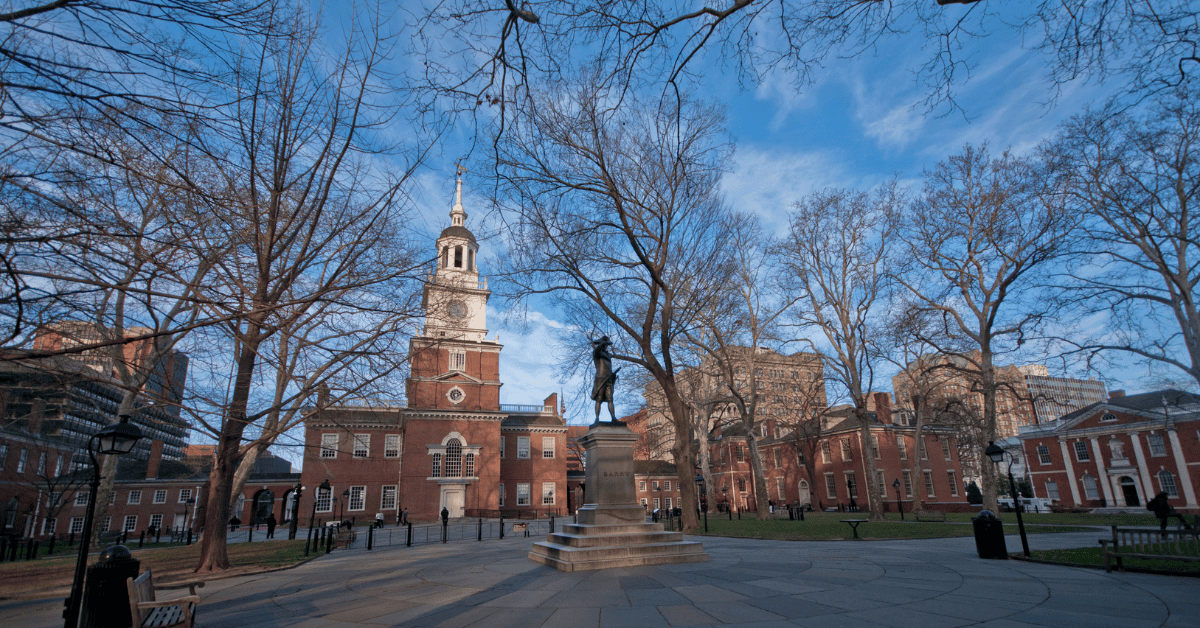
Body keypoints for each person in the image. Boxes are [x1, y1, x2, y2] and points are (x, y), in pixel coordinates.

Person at [590, 336, 621, 424]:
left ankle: (613, 418)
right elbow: (597, 349)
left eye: (606, 345)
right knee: (599, 399)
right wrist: (603, 342)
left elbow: (608, 369)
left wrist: (613, 375)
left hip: (609, 379)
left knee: (610, 399)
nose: (606, 346)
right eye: (605, 345)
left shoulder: (608, 356)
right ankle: (597, 418)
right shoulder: (597, 354)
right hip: (601, 379)